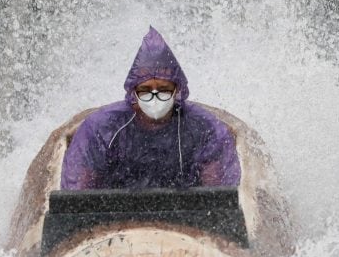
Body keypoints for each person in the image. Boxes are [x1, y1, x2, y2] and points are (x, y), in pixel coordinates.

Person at [60, 26, 241, 190]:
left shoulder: (203, 127)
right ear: (133, 93)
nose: (154, 98)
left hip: (187, 212)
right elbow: (78, 194)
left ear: (177, 90)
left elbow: (220, 194)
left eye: (163, 90)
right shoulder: (102, 127)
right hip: (115, 212)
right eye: (145, 90)